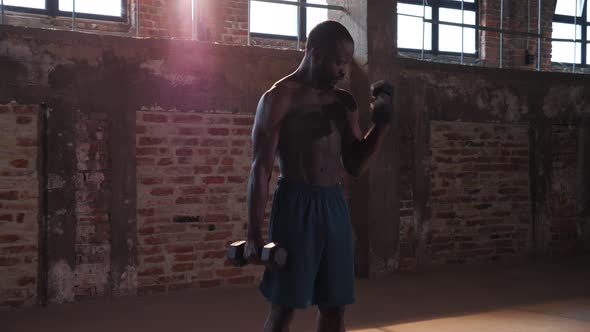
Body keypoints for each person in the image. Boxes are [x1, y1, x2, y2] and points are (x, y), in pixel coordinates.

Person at [244, 20, 394, 332]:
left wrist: (380, 126)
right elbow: (260, 168)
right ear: (315, 54)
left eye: (347, 62)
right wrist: (255, 233)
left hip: (333, 204)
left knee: (335, 306)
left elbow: (354, 165)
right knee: (284, 306)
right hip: (295, 205)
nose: (344, 70)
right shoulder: (278, 98)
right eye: (338, 62)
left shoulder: (343, 102)